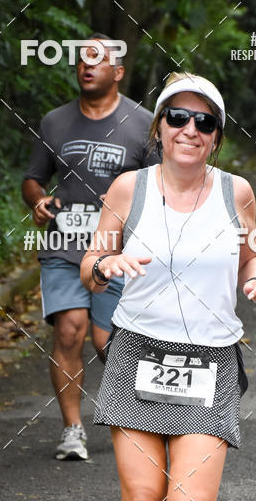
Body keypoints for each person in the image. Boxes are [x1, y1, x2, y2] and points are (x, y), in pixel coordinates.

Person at [81, 72, 256, 501]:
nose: (190, 130)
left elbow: (251, 256)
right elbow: (91, 261)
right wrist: (107, 264)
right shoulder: (127, 190)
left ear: (216, 136)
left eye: (205, 122)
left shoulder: (236, 192)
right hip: (137, 353)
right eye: (179, 119)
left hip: (209, 361)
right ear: (159, 127)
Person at [22, 35, 157, 461]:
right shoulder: (55, 122)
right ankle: (73, 430)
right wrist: (38, 200)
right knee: (69, 329)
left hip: (118, 251)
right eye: (83, 59)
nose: (87, 66)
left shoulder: (143, 123)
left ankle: (140, 418)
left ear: (117, 72)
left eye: (98, 61)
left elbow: (159, 187)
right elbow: (33, 178)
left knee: (107, 341)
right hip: (64, 247)